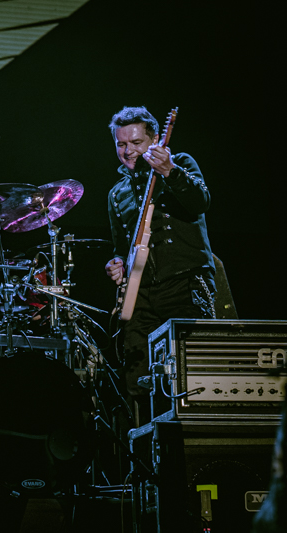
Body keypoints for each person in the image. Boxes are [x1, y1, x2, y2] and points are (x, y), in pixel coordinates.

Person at [104, 106, 215, 423]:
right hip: (142, 297)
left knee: (191, 373)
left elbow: (200, 202)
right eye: (122, 144)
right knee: (138, 377)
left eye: (136, 142)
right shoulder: (116, 194)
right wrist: (116, 264)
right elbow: (120, 248)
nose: (129, 151)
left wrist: (170, 172)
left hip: (184, 284)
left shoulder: (180, 164)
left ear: (154, 140)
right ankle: (144, 459)